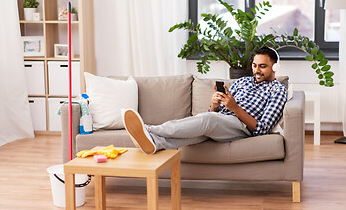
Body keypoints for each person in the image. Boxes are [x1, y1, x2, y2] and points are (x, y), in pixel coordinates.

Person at [122, 47, 288, 155]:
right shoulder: (242, 82)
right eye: (254, 65)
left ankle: (150, 129)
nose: (256, 70)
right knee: (205, 125)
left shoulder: (278, 90)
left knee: (209, 120)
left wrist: (235, 108)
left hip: (242, 129)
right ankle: (154, 143)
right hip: (221, 122)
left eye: (262, 66)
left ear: (275, 68)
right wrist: (214, 105)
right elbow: (215, 116)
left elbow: (262, 129)